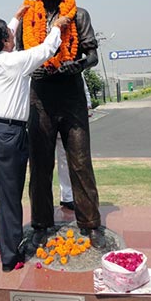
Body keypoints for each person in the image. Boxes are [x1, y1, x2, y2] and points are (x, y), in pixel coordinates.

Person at [0, 5, 70, 272]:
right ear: (6, 41)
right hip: (9, 135)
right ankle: (10, 256)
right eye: (10, 34)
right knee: (9, 196)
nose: (13, 36)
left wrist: (16, 18)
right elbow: (46, 50)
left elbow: (3, 36)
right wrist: (57, 27)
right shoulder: (15, 62)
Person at [16, 0, 106, 249]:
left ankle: (91, 224)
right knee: (39, 165)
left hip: (71, 95)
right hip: (40, 95)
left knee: (80, 161)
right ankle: (41, 222)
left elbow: (92, 53)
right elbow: (20, 56)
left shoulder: (78, 14)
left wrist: (78, 64)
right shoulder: (29, 17)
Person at [57, 73, 92, 211]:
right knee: (42, 164)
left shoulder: (70, 62)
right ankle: (42, 205)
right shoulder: (39, 58)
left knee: (65, 159)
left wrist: (87, 104)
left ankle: (67, 196)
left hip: (67, 116)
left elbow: (82, 85)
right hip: (44, 117)